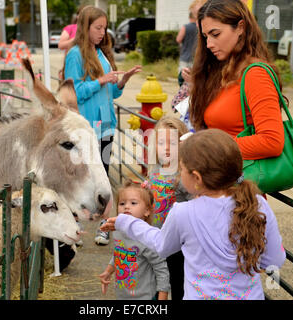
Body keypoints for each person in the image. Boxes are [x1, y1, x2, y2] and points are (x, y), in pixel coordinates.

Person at [101, 128, 286, 300]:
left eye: (181, 169)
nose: (179, 173)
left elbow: (161, 245)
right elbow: (274, 260)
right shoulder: (257, 203)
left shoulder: (184, 212)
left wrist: (126, 222)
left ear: (196, 178)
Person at [64, 5, 141, 245]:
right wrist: (99, 81)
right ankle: (74, 226)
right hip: (86, 130)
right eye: (98, 27)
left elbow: (111, 94)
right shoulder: (74, 55)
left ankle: (104, 227)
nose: (102, 32)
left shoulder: (102, 53)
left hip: (105, 128)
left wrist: (121, 82)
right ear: (85, 27)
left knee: (104, 178)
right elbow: (72, 92)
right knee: (81, 178)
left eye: (104, 28)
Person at [189, 0, 285, 162]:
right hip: (218, 173)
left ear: (240, 27)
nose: (209, 44)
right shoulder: (221, 71)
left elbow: (272, 141)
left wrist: (208, 147)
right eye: (205, 37)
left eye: (216, 34)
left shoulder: (255, 74)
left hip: (240, 180)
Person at [98, 180, 170, 300]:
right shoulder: (118, 232)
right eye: (122, 203)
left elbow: (162, 270)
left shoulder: (148, 238)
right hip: (123, 295)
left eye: (133, 203)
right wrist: (108, 271)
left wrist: (162, 296)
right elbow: (119, 254)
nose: (126, 206)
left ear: (147, 211)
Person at [147, 116, 192, 300]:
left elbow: (195, 205)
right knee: (157, 281)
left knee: (177, 283)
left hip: (177, 245)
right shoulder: (156, 169)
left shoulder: (183, 176)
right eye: (161, 142)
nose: (166, 147)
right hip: (156, 239)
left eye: (172, 143)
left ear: (182, 145)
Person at [176, 1, 204, 87]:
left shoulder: (185, 27)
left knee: (183, 79)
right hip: (196, 57)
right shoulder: (200, 27)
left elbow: (178, 39)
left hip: (185, 57)